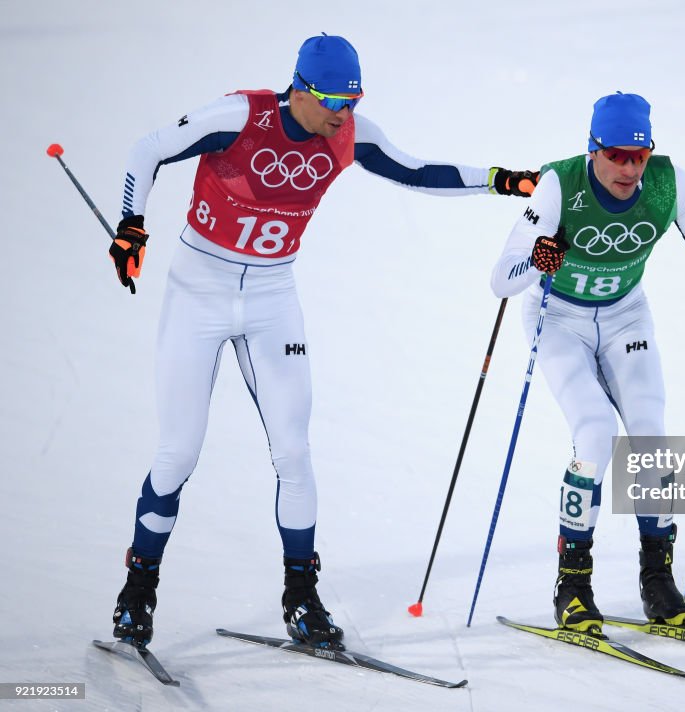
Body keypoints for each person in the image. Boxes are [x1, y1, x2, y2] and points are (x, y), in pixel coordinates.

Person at [108, 33, 537, 650]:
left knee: (294, 452)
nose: (344, 112)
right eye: (333, 98)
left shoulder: (348, 134)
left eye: (354, 99)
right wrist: (132, 224)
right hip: (198, 292)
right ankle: (137, 591)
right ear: (300, 89)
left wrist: (503, 181)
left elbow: (417, 171)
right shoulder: (241, 116)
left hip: (271, 298)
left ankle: (301, 598)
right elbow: (148, 149)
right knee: (178, 453)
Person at [489, 92, 685, 636]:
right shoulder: (557, 185)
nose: (629, 168)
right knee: (594, 433)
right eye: (617, 155)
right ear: (594, 150)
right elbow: (502, 280)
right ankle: (573, 586)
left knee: (650, 435)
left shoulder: (670, 183)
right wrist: (539, 260)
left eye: (639, 156)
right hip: (559, 318)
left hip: (625, 318)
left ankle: (657, 581)